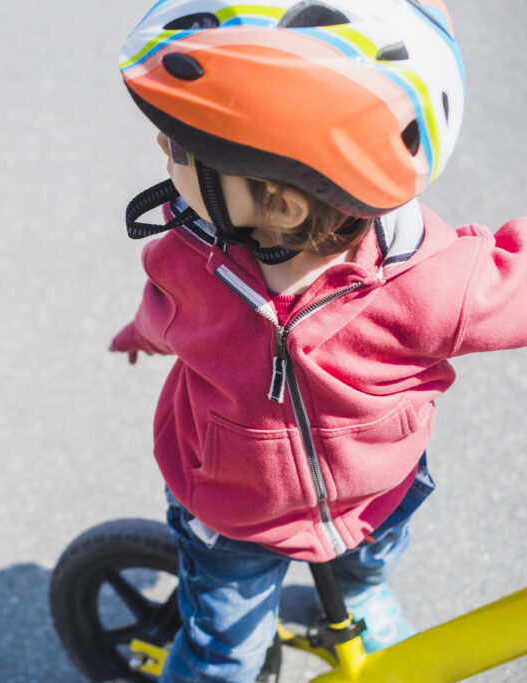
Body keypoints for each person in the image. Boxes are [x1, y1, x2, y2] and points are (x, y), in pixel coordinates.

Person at [108, 1, 527, 681]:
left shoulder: (430, 282)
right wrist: (141, 333)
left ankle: (361, 591)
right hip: (234, 508)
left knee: (372, 556)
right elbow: (167, 312)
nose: (164, 150)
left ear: (282, 203)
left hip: (375, 490)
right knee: (223, 659)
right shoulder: (188, 248)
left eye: (185, 148)